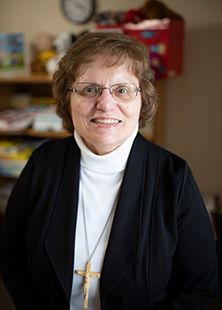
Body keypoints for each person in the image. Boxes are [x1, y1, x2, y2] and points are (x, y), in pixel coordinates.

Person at [0, 32, 217, 310]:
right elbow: (12, 256)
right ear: (68, 98)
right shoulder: (42, 163)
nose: (105, 103)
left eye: (122, 90)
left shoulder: (173, 177)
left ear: (143, 100)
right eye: (89, 89)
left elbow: (200, 286)